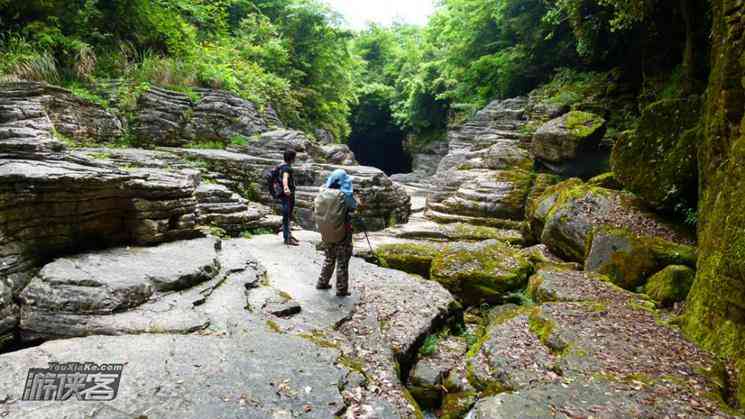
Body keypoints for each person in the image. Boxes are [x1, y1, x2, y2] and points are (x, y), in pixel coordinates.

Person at [316, 169, 358, 297]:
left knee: (329, 258)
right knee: (342, 261)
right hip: (343, 234)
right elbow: (354, 207)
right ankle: (341, 289)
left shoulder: (322, 192)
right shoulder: (345, 195)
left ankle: (322, 282)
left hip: (326, 233)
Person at [279, 149, 299, 246]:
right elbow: (285, 178)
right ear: (292, 158)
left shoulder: (282, 166)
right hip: (287, 196)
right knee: (287, 216)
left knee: (287, 215)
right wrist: (286, 188)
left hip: (285, 195)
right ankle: (287, 238)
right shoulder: (286, 168)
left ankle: (288, 235)